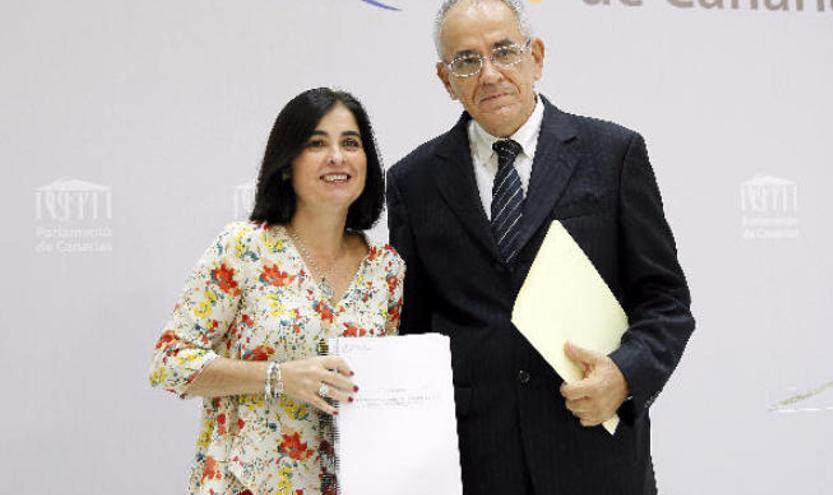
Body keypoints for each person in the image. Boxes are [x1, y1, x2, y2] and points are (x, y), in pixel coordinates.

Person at [386, 1, 695, 494]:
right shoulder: (413, 181)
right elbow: (413, 329)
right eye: (467, 60)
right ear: (446, 80)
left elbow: (667, 302)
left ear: (537, 56)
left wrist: (625, 375)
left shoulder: (613, 154)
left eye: (504, 51)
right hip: (474, 463)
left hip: (594, 454)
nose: (489, 74)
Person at [149, 87, 404, 495]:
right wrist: (278, 378)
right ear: (287, 165)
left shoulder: (386, 268)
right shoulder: (242, 249)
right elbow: (169, 363)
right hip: (245, 484)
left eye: (350, 143)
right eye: (317, 143)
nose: (337, 156)